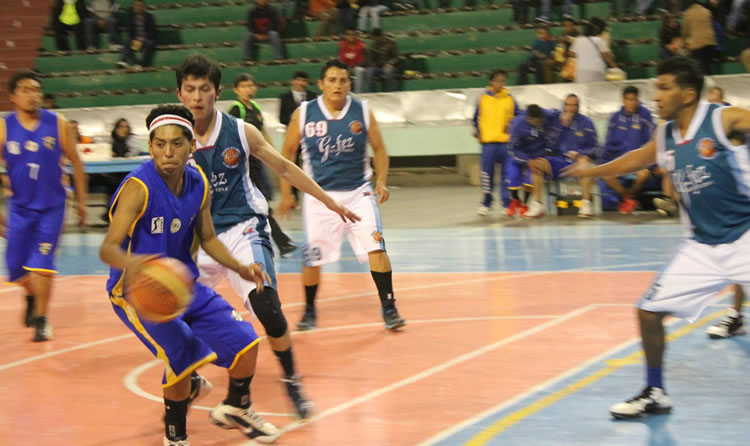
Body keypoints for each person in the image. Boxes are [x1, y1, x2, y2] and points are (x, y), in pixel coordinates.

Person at [563, 56, 750, 419]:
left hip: (746, 234)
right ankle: (655, 392)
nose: (655, 95)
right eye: (655, 87)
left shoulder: (722, 118)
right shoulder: (664, 133)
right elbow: (635, 159)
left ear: (688, 93)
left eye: (664, 88)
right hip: (702, 246)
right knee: (648, 313)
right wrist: (594, 171)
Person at [176, 55, 359, 419]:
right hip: (199, 238)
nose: (197, 97)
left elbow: (285, 166)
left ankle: (291, 379)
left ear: (218, 92)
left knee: (269, 310)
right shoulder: (170, 137)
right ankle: (189, 375)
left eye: (205, 89)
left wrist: (328, 200)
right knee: (171, 309)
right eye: (190, 89)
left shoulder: (241, 131)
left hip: (244, 229)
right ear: (179, 94)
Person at [99, 104, 280, 445]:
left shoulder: (199, 183)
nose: (168, 151)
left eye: (177, 143)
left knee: (246, 344)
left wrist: (241, 267)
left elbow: (209, 238)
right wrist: (144, 266)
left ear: (191, 145)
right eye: (160, 144)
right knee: (181, 354)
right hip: (136, 290)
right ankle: (176, 437)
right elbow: (108, 248)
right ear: (150, 147)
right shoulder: (138, 188)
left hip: (182, 284)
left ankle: (236, 407)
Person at [277, 59, 407, 331]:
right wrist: (287, 193)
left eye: (343, 80)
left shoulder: (362, 110)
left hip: (359, 192)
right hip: (319, 196)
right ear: (321, 84)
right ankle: (310, 309)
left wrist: (381, 181)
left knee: (376, 246)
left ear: (349, 83)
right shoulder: (303, 114)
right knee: (313, 257)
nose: (338, 85)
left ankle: (389, 306)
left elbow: (380, 149)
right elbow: (287, 154)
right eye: (332, 80)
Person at [0, 71, 87, 341]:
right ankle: (30, 295)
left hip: (52, 207)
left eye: (36, 89)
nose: (33, 94)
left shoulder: (57, 123)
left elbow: (76, 161)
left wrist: (82, 200)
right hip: (19, 208)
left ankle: (41, 317)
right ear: (13, 96)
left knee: (43, 264)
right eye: (25, 89)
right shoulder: (4, 127)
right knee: (15, 267)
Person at [228, 73, 296, 257]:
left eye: (250, 85)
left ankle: (271, 241)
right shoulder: (236, 110)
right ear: (236, 89)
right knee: (260, 205)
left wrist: (275, 156)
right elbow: (231, 137)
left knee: (259, 204)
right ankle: (281, 243)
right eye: (243, 86)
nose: (248, 89)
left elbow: (263, 134)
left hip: (258, 163)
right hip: (245, 165)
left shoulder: (256, 108)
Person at [526, 94, 598, 218]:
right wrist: (561, 127)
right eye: (568, 105)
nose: (571, 108)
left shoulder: (586, 122)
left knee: (586, 164)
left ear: (578, 106)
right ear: (564, 106)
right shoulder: (554, 120)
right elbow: (548, 143)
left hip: (577, 163)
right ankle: (537, 204)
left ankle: (586, 204)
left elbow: (595, 147)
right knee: (536, 163)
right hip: (558, 161)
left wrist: (580, 153)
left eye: (574, 105)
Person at [600, 86, 657, 214]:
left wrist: (652, 166)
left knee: (643, 174)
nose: (631, 102)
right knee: (605, 175)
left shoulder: (645, 116)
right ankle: (628, 198)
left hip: (640, 164)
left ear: (637, 100)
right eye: (628, 99)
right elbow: (608, 144)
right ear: (623, 100)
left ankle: (628, 198)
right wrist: (604, 164)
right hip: (621, 164)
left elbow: (652, 142)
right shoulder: (614, 119)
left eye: (633, 99)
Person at [473, 69, 519, 217]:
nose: (501, 83)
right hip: (488, 144)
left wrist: (512, 125)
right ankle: (486, 202)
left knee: (507, 175)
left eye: (503, 80)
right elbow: (475, 119)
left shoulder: (510, 99)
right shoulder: (482, 99)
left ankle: (506, 204)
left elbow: (520, 117)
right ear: (491, 82)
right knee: (486, 174)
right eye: (498, 80)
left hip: (505, 143)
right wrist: (477, 131)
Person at [506, 104, 551, 219]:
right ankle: (515, 200)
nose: (539, 123)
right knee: (512, 176)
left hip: (537, 155)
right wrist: (526, 160)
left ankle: (526, 204)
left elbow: (556, 113)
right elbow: (512, 149)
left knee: (531, 177)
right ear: (528, 119)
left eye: (540, 120)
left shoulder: (545, 115)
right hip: (520, 154)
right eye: (536, 122)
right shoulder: (517, 126)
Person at [279, 71, 318, 202]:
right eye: (299, 80)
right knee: (292, 166)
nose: (301, 83)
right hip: (293, 137)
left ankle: (315, 193)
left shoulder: (313, 96)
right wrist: (296, 122)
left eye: (304, 80)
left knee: (312, 165)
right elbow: (282, 117)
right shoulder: (284, 97)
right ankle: (292, 196)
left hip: (310, 137)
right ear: (293, 81)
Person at [570, 17, 616, 83]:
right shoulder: (599, 40)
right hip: (597, 71)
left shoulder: (578, 40)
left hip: (581, 72)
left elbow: (571, 53)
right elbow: (606, 56)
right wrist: (615, 67)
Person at [117, 0, 157, 69]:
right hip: (137, 41)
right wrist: (133, 39)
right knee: (128, 43)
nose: (137, 7)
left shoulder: (150, 17)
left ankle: (139, 64)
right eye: (136, 6)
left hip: (148, 40)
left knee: (148, 44)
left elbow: (153, 32)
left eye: (139, 6)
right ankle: (123, 61)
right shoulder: (132, 17)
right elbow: (130, 32)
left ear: (143, 7)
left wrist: (144, 38)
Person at [365, 28, 399, 92]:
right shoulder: (373, 45)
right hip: (377, 67)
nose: (376, 40)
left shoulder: (391, 43)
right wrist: (372, 65)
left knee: (388, 71)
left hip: (388, 66)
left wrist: (390, 63)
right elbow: (370, 59)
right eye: (374, 38)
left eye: (377, 38)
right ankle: (371, 93)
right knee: (368, 72)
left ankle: (389, 92)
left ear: (381, 36)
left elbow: (396, 57)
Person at [339, 28, 367, 93]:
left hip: (357, 67)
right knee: (342, 71)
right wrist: (346, 67)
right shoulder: (343, 45)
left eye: (353, 35)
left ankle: (358, 93)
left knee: (359, 70)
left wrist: (353, 66)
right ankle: (344, 92)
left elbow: (363, 60)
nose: (351, 36)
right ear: (346, 36)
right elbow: (340, 59)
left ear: (356, 36)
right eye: (349, 35)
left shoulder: (360, 44)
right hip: (346, 68)